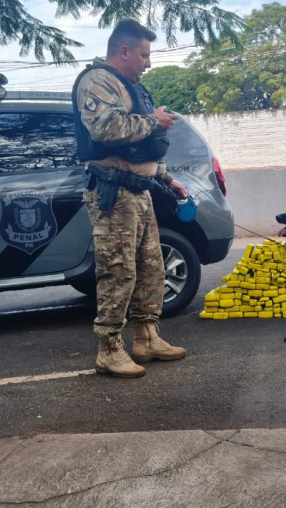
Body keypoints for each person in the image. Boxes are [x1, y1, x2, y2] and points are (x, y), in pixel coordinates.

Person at [72, 20, 188, 378]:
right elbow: (107, 129)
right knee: (118, 273)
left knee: (151, 269)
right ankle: (109, 349)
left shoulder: (129, 87)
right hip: (113, 194)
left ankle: (146, 337)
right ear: (124, 52)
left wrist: (168, 178)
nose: (148, 63)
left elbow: (140, 151)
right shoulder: (98, 81)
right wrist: (153, 121)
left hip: (139, 192)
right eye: (144, 54)